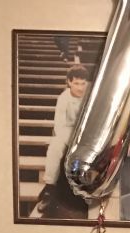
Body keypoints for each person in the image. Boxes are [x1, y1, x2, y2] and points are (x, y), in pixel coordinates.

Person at [36, 65, 90, 218]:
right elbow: (59, 126)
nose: (80, 88)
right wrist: (70, 141)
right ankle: (49, 187)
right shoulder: (63, 98)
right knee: (55, 146)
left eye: (83, 83)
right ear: (69, 82)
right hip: (67, 131)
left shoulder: (90, 96)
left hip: (85, 132)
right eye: (76, 83)